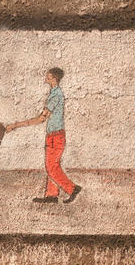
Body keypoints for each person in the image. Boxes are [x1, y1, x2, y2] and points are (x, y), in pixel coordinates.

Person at [6, 67, 82, 204]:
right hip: (53, 135)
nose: (46, 77)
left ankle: (72, 188)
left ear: (54, 78)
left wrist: (16, 125)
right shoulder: (54, 93)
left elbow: (41, 118)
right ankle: (51, 195)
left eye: (49, 76)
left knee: (51, 167)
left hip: (55, 136)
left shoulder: (55, 95)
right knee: (52, 165)